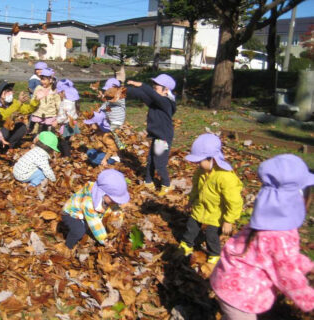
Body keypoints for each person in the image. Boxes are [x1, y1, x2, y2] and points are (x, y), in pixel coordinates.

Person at [210, 154, 314, 319]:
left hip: (228, 281)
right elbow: (287, 274)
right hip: (241, 297)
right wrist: (309, 300)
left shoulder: (264, 221)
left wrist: (307, 264)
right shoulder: (280, 235)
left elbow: (282, 257)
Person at [179, 133, 243, 265]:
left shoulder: (225, 177)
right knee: (191, 226)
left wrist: (228, 220)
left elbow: (234, 201)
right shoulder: (200, 172)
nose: (197, 164)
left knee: (211, 235)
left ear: (211, 159)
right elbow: (196, 188)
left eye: (200, 161)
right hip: (200, 207)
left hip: (216, 213)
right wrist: (191, 201)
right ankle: (187, 244)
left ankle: (214, 253)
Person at [126, 74, 176, 196]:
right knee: (151, 161)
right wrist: (122, 90)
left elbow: (150, 94)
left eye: (156, 88)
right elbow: (141, 95)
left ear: (166, 90)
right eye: (153, 87)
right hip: (156, 136)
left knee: (159, 163)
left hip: (163, 138)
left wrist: (142, 85)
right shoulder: (156, 102)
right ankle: (148, 181)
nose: (154, 90)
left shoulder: (166, 102)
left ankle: (166, 185)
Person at [62, 169, 130, 249]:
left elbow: (114, 208)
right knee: (79, 231)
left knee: (88, 226)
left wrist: (117, 216)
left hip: (84, 214)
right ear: (103, 193)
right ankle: (68, 246)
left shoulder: (102, 195)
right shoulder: (88, 203)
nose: (115, 202)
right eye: (113, 199)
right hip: (71, 214)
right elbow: (94, 222)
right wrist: (105, 240)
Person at [0, 79, 38, 152]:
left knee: (22, 127)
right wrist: (19, 102)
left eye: (11, 90)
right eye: (8, 91)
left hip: (7, 130)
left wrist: (36, 101)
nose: (11, 92)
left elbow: (27, 110)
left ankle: (9, 147)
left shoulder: (13, 103)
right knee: (5, 128)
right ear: (0, 94)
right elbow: (3, 116)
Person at [54, 79, 80, 158]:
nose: (58, 94)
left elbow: (63, 116)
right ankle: (65, 153)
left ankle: (66, 155)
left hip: (66, 125)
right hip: (72, 123)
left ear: (63, 92)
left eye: (59, 92)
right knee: (66, 140)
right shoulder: (72, 101)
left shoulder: (66, 103)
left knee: (63, 142)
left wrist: (56, 121)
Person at [30, 68, 61, 134]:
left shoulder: (54, 90)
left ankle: (49, 140)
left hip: (50, 113)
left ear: (50, 80)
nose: (42, 81)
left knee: (49, 129)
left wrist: (59, 112)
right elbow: (33, 100)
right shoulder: (38, 88)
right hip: (39, 113)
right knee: (39, 129)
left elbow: (58, 102)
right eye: (41, 79)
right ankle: (38, 139)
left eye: (44, 80)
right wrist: (36, 100)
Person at [99, 78, 127, 150]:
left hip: (117, 120)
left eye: (109, 91)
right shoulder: (109, 100)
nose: (107, 92)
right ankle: (113, 146)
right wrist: (99, 110)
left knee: (112, 132)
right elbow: (105, 105)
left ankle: (120, 146)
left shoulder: (120, 97)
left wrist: (104, 97)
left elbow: (114, 101)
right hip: (111, 120)